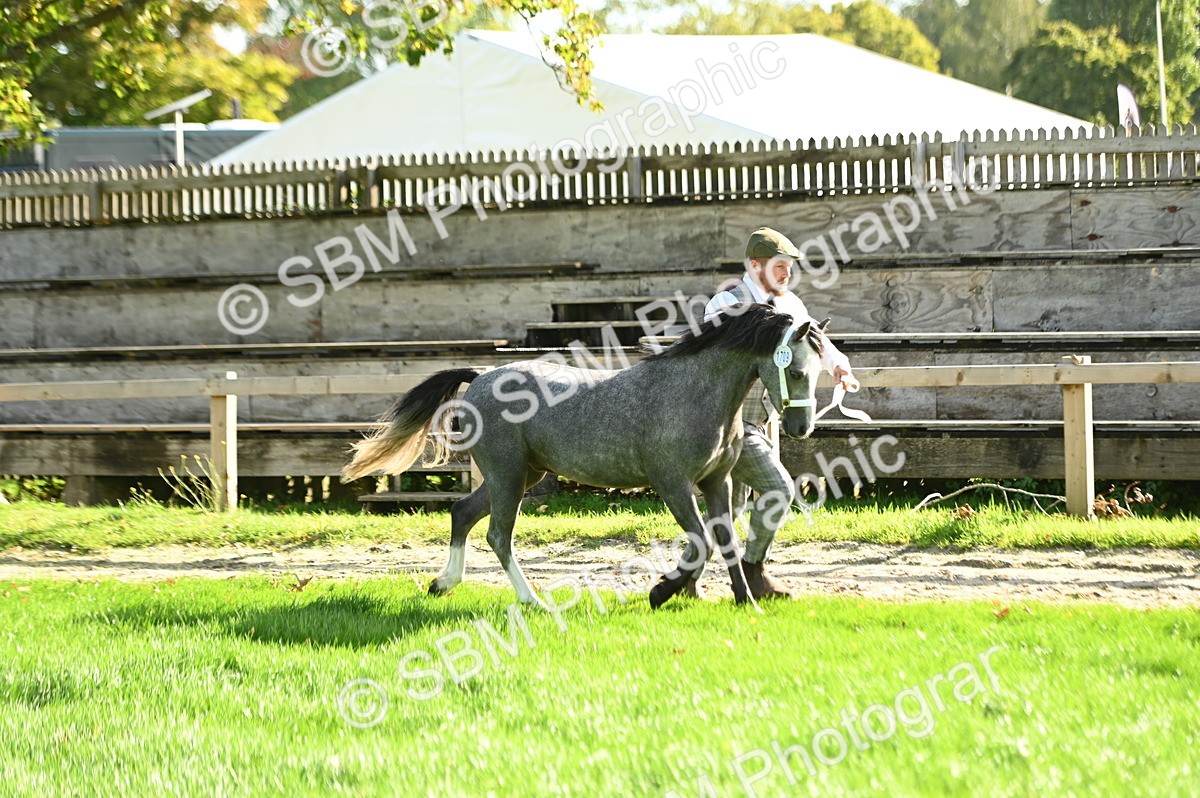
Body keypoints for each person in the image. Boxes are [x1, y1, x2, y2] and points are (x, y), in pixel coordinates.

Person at [682, 227, 856, 600]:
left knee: (731, 506)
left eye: (790, 267)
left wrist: (838, 366)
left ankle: (684, 579)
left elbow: (816, 342)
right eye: (779, 266)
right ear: (755, 265)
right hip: (728, 423)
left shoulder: (791, 305)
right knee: (778, 489)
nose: (787, 274)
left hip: (761, 423)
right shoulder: (726, 304)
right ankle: (754, 573)